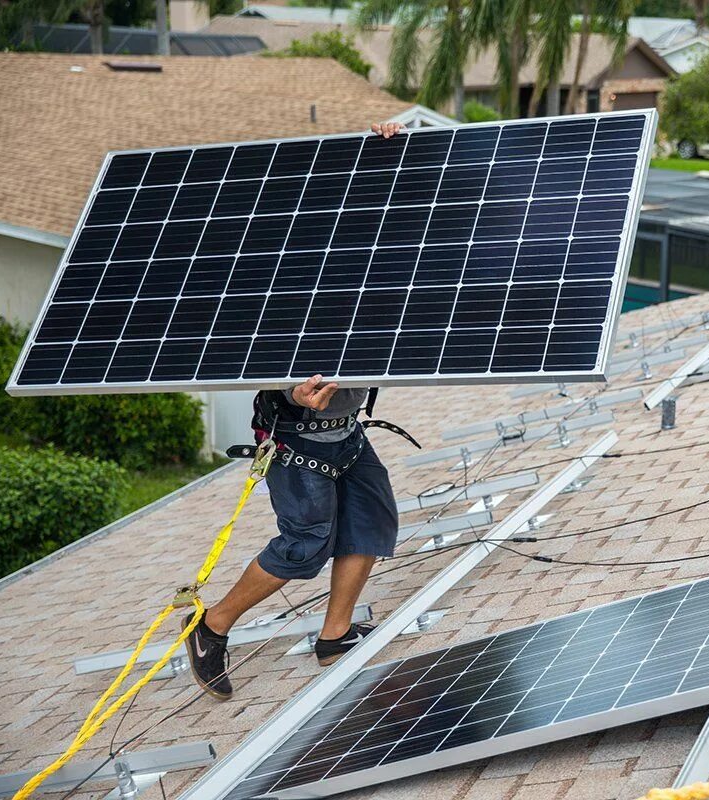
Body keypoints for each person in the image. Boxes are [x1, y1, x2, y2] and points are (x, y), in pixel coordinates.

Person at [183, 122, 407, 701]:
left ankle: (334, 635)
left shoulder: (366, 261)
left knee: (372, 523)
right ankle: (211, 627)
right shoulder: (281, 265)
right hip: (295, 437)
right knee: (306, 542)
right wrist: (289, 394)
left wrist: (388, 148)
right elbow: (250, 346)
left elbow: (390, 207)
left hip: (348, 433)